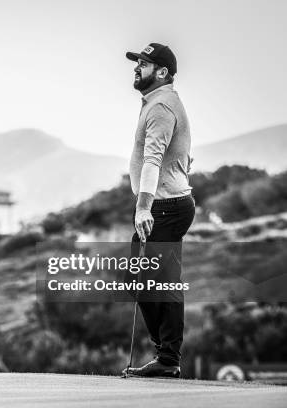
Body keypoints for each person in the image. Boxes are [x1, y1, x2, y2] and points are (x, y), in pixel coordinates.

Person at [123, 43, 195, 378]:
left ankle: (168, 359)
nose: (137, 68)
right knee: (141, 280)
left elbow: (153, 159)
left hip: (165, 207)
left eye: (144, 63)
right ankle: (165, 356)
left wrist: (143, 206)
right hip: (165, 205)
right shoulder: (158, 103)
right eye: (137, 63)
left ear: (162, 72)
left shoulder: (162, 106)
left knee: (161, 282)